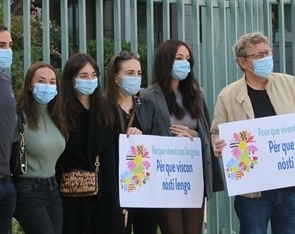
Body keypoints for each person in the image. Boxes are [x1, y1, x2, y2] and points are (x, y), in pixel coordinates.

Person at [211, 32, 295, 234]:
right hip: (253, 192)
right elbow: (216, 132)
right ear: (242, 62)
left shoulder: (290, 84)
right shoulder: (228, 95)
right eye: (258, 56)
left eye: (267, 53)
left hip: (289, 187)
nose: (266, 58)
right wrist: (218, 144)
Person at [141, 39, 224, 234]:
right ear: (166, 61)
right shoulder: (148, 96)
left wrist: (193, 135)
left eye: (187, 59)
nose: (184, 63)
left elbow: (205, 132)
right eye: (179, 58)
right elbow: (145, 136)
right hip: (166, 177)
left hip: (193, 175)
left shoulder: (195, 95)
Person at [56, 53, 126, 234]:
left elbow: (119, 156)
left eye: (94, 75)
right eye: (83, 76)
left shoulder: (108, 110)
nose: (90, 80)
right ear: (71, 79)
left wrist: (124, 201)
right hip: (72, 199)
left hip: (107, 195)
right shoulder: (60, 112)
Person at [104, 50, 160, 234]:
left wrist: (141, 140)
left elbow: (157, 143)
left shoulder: (146, 106)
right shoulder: (103, 108)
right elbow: (104, 153)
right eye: (129, 73)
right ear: (116, 78)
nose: (135, 78)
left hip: (144, 189)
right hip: (116, 190)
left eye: (138, 73)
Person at [13, 62, 68, 234]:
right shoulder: (19, 117)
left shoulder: (57, 116)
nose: (48, 86)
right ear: (30, 84)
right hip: (28, 189)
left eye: (52, 82)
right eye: (42, 81)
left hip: (53, 188)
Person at [0, 24, 16, 234]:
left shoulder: (5, 80)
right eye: (1, 45)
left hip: (6, 180)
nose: (6, 50)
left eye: (9, 45)